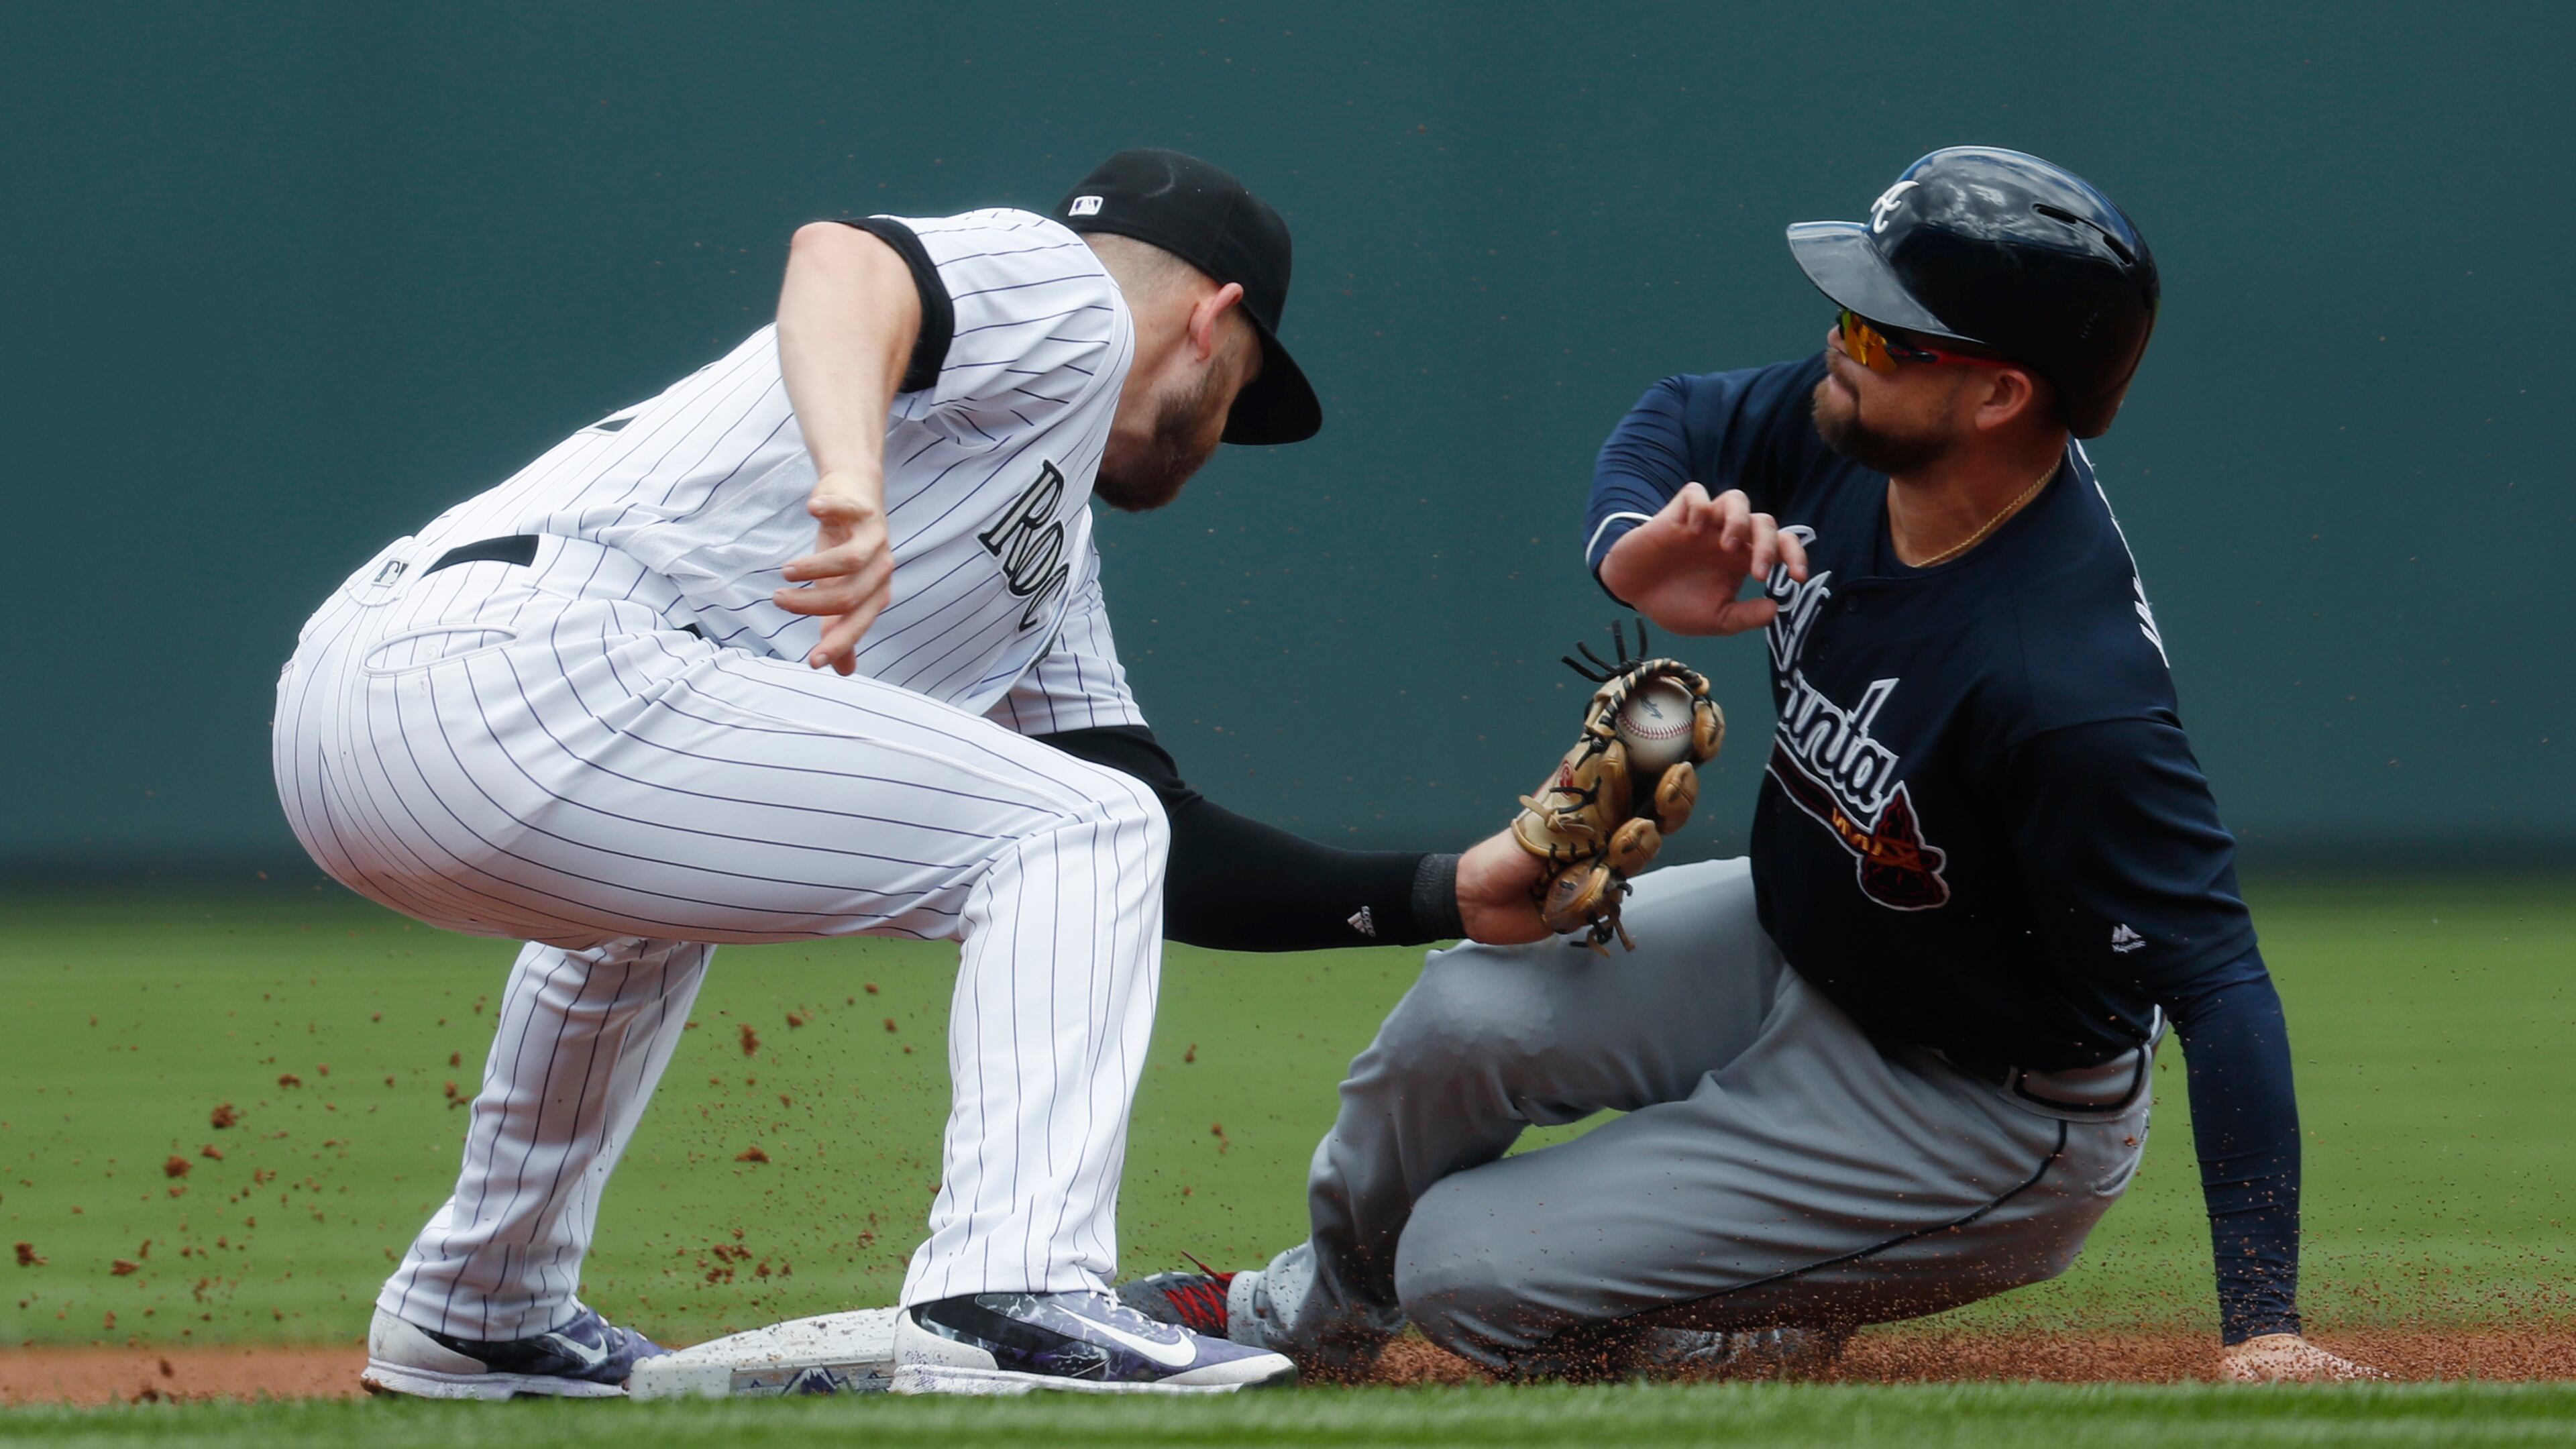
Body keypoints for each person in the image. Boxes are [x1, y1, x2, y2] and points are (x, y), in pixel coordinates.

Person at [272, 147, 1540, 1400]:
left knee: (738, 900)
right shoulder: (1073, 299)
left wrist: (1443, 891)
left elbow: (1158, 837)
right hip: (513, 662)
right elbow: (845, 262)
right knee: (1073, 828)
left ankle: (481, 1308)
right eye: (1243, 396)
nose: (1222, 440)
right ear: (1214, 323)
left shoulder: (1045, 557)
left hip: (384, 699)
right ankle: (1009, 1290)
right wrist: (850, 479)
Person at [1120, 147, 2374, 1383]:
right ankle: (1317, 1319)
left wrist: (2262, 1326)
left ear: (1998, 396)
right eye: (1849, 307)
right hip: (1800, 935)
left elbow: (2219, 985)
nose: (1842, 342)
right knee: (1457, 1016)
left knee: (1463, 1270)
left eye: (1888, 332)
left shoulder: (2064, 686)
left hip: (1977, 1105)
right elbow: (1677, 414)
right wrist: (1634, 555)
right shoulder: (1864, 433)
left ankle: (1716, 1348)